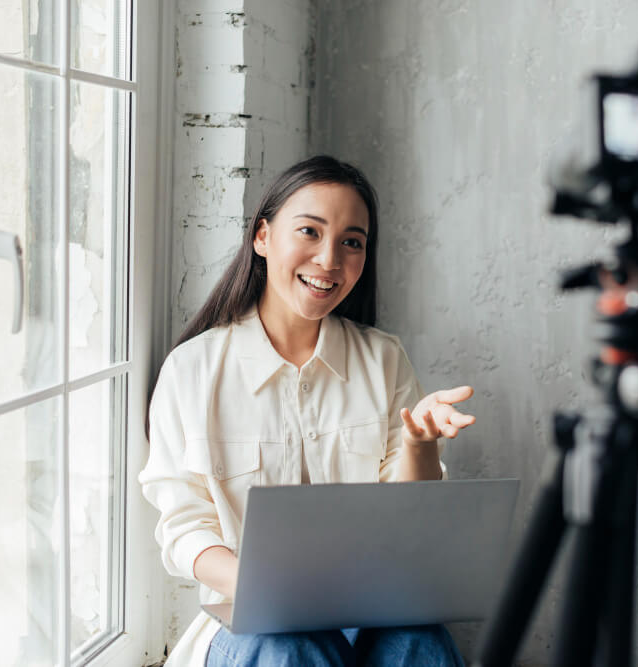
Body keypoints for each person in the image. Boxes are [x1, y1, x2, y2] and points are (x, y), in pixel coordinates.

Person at [139, 155, 476, 666]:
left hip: (369, 612)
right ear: (262, 237)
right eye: (309, 231)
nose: (329, 260)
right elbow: (184, 527)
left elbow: (410, 525)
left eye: (351, 242)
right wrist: (266, 591)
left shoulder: (384, 359)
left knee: (420, 639)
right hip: (252, 627)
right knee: (290, 644)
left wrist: (420, 446)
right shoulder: (193, 370)